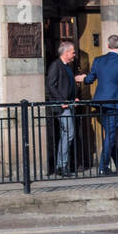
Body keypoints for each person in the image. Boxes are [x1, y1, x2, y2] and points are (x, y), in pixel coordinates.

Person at [76, 33, 118, 175]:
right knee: (110, 135)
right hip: (114, 104)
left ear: (108, 46)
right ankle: (103, 167)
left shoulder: (98, 61)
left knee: (110, 134)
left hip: (100, 104)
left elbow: (90, 79)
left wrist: (82, 79)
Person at [46, 39, 79, 176]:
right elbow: (51, 85)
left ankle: (62, 165)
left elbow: (68, 85)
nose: (74, 54)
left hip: (69, 104)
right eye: (72, 52)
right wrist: (61, 101)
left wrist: (74, 98)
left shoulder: (67, 66)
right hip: (62, 107)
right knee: (68, 134)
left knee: (67, 134)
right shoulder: (56, 65)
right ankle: (62, 165)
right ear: (66, 52)